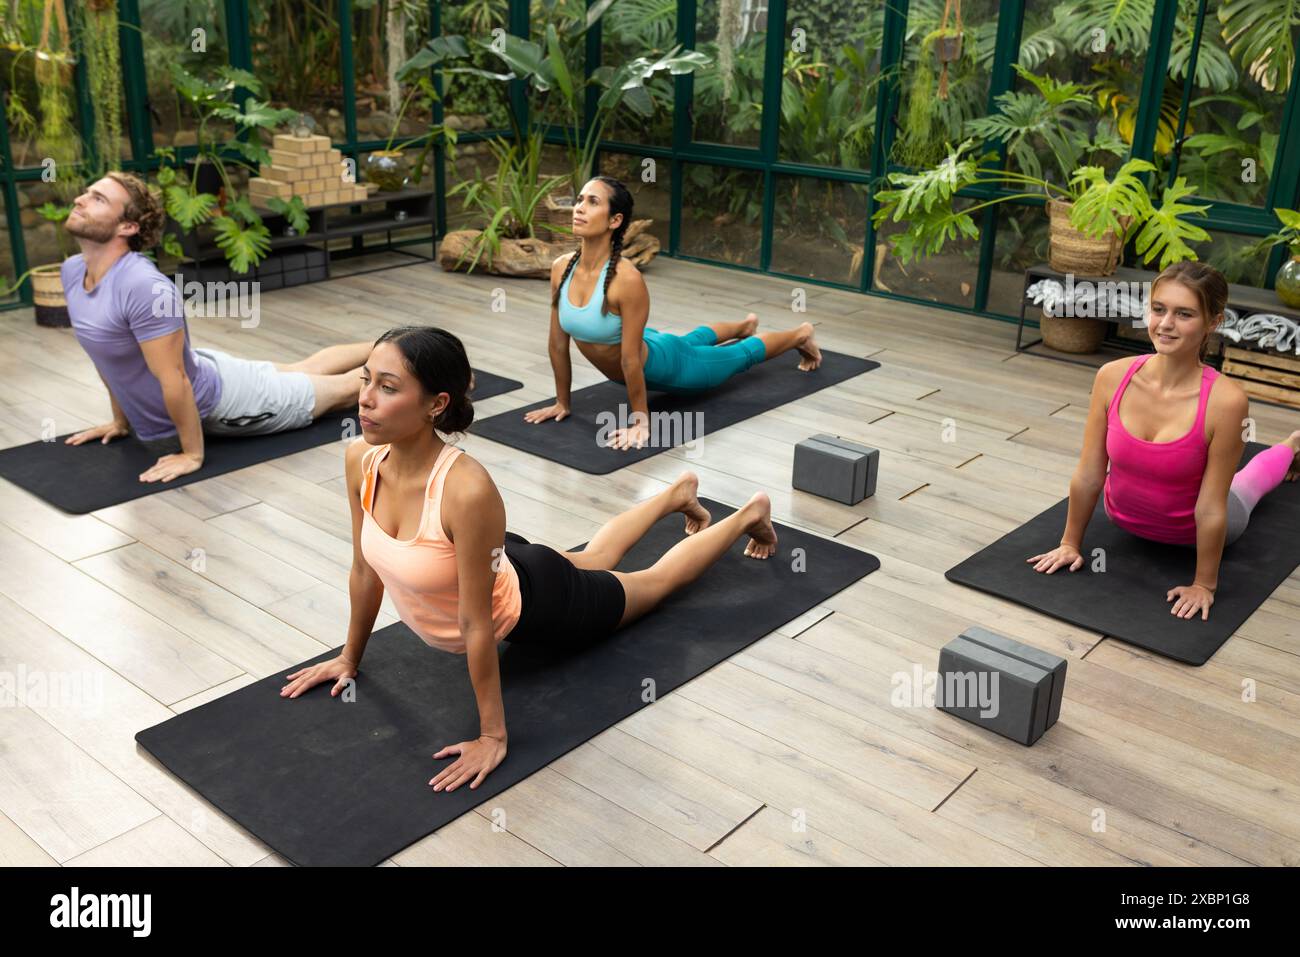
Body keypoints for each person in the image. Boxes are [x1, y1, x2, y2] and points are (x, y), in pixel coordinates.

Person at [279, 326, 780, 793]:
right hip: (493, 558)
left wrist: (493, 737)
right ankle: (674, 495)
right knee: (597, 554)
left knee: (653, 582)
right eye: (366, 380)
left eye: (388, 387)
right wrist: (349, 658)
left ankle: (744, 517)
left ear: (436, 404)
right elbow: (366, 571)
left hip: (542, 604)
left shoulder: (467, 490)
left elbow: (477, 623)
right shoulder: (360, 460)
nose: (365, 398)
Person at [1027, 261, 1300, 621]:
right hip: (1122, 519)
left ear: (1213, 322)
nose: (1166, 324)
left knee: (1244, 488)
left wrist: (1205, 584)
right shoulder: (1112, 377)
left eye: (1184, 314)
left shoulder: (1227, 401)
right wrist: (1069, 543)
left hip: (1191, 533)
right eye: (1159, 309)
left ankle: (1293, 444)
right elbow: (1090, 472)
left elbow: (1211, 506)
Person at [59, 171, 370, 482]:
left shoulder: (143, 286)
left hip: (226, 403)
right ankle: (398, 343)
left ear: (127, 227)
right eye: (87, 193)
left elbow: (175, 378)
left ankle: (406, 355)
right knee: (303, 368)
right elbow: (110, 359)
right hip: (205, 368)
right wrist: (119, 422)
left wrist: (192, 454)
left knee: (344, 392)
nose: (80, 200)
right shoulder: (73, 271)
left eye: (97, 199)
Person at [523, 175, 825, 450]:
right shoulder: (561, 268)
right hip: (651, 344)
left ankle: (801, 334)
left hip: (671, 366)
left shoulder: (627, 281)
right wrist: (562, 402)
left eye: (592, 202)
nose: (579, 208)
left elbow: (630, 360)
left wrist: (641, 421)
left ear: (615, 220)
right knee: (690, 339)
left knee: (740, 356)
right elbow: (557, 343)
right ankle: (745, 324)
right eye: (579, 200)